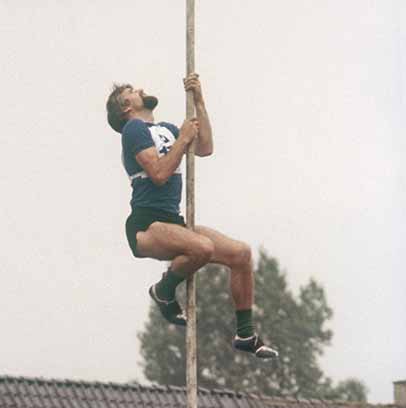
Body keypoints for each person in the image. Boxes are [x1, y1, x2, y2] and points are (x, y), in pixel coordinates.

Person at [105, 77, 278, 360]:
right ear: (126, 107)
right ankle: (163, 291)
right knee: (202, 248)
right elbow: (159, 175)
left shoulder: (167, 129)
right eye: (131, 91)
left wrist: (199, 101)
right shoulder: (133, 129)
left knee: (241, 255)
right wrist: (184, 138)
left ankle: (245, 334)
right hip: (147, 224)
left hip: (174, 222)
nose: (140, 90)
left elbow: (205, 148)